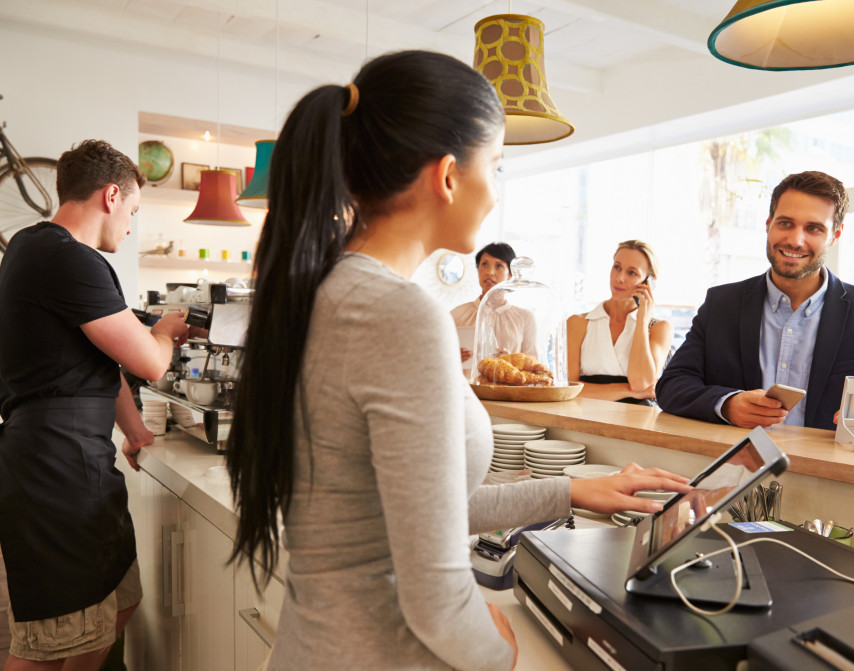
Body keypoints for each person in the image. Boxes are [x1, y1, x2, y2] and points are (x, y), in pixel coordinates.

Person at [225, 51, 690, 671]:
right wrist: (499, 654)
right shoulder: (399, 314)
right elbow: (436, 593)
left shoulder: (330, 289)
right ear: (448, 176)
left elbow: (412, 508)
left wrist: (573, 490)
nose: (496, 192)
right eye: (495, 166)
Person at [0, 140, 191, 670]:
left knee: (119, 605)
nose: (129, 227)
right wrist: (165, 331)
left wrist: (134, 430)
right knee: (49, 641)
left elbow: (99, 369)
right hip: (54, 471)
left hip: (75, 461)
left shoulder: (32, 246)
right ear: (111, 196)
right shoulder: (66, 257)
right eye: (132, 212)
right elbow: (150, 364)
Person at [656, 170, 854, 430]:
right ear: (768, 223)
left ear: (835, 235)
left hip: (828, 469)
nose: (795, 240)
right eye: (785, 223)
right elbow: (672, 385)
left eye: (813, 228)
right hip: (739, 463)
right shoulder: (722, 304)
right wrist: (727, 404)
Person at [567, 240, 673, 406]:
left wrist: (642, 321)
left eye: (632, 273)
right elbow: (568, 390)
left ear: (649, 282)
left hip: (635, 426)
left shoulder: (659, 329)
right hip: (583, 421)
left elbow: (641, 383)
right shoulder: (578, 323)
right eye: (617, 267)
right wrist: (627, 390)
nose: (619, 278)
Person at [451, 242, 535, 363]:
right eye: (484, 264)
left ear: (511, 274)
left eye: (499, 266)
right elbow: (436, 361)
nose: (490, 272)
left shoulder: (525, 318)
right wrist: (452, 358)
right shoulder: (456, 315)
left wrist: (513, 362)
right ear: (477, 269)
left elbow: (534, 368)